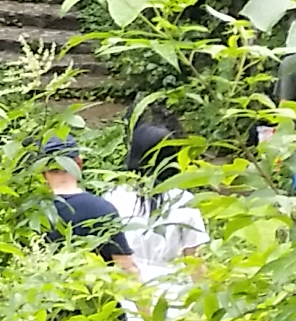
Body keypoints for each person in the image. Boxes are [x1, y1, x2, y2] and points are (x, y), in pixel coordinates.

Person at [103, 110, 211, 307]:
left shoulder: (112, 198)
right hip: (175, 297)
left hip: (129, 294)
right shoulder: (184, 201)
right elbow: (194, 263)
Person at [38, 136, 137, 274]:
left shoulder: (32, 212)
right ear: (79, 163)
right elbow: (126, 268)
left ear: (42, 172)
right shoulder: (102, 209)